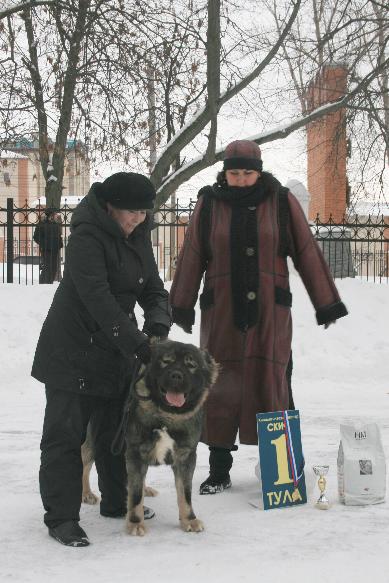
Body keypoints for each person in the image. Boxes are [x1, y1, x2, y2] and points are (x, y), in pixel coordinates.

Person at [169, 140, 348, 495]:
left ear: (259, 171)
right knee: (219, 388)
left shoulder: (280, 201)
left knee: (274, 382)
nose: (240, 179)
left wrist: (325, 302)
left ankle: (280, 468)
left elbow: (306, 251)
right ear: (225, 173)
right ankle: (219, 471)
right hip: (221, 313)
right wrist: (182, 305)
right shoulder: (209, 204)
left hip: (270, 312)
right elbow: (192, 255)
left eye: (247, 173)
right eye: (233, 173)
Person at [31, 172, 171, 547]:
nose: (136, 220)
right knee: (65, 435)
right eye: (130, 213)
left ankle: (118, 500)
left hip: (114, 348)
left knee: (116, 431)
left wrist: (158, 322)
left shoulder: (139, 235)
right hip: (71, 349)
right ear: (110, 207)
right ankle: (61, 517)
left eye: (143, 214)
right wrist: (140, 345)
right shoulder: (85, 236)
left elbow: (154, 288)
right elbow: (98, 299)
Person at [33, 210, 63, 284]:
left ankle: (49, 283)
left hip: (55, 249)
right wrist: (44, 244)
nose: (56, 216)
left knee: (54, 268)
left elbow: (59, 236)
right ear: (51, 215)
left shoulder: (56, 225)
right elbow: (36, 237)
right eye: (55, 214)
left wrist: (60, 244)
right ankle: (43, 284)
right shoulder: (41, 224)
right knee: (47, 267)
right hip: (46, 249)